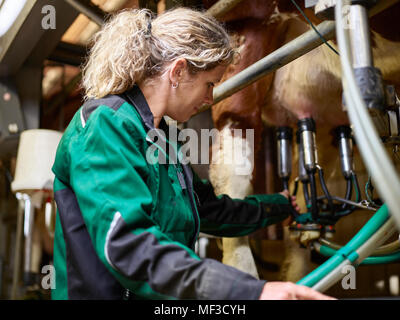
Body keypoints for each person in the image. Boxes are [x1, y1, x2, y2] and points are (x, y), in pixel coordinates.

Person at [51, 7, 334, 300]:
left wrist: (279, 206)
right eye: (209, 84)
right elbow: (127, 245)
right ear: (178, 71)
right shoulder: (104, 125)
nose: (211, 98)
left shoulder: (164, 137)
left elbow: (208, 209)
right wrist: (250, 291)